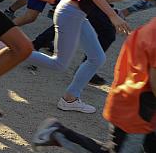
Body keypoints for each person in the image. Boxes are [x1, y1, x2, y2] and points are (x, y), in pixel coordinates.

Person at [25, 0, 151, 114]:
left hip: (75, 13)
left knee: (97, 57)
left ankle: (70, 98)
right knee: (59, 63)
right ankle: (12, 50)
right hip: (71, 12)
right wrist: (113, 16)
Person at [32, 17, 156, 152]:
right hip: (137, 114)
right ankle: (57, 133)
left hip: (140, 108)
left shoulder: (149, 28)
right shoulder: (152, 33)